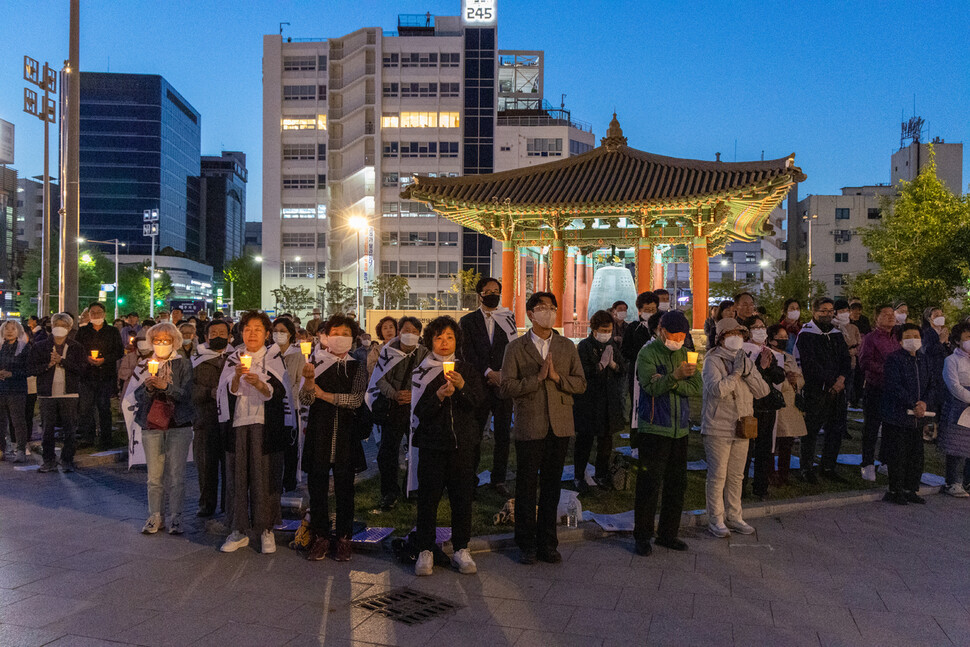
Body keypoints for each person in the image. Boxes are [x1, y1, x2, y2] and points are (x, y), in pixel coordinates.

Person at [500, 292, 586, 565]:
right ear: (530, 314)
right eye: (541, 308)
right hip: (530, 423)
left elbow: (580, 384)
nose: (547, 312)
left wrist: (557, 378)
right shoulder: (515, 347)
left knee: (552, 486)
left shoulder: (566, 346)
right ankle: (526, 543)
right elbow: (506, 387)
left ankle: (548, 542)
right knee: (526, 485)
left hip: (559, 425)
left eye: (552, 308)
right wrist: (536, 379)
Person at [412, 316, 485, 576]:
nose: (444, 342)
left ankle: (461, 548)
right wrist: (439, 396)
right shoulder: (422, 371)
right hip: (433, 446)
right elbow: (419, 410)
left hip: (463, 446)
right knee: (428, 499)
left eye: (450, 337)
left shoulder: (467, 369)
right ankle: (425, 550)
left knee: (462, 499)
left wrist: (462, 387)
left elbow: (477, 402)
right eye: (439, 337)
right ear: (430, 340)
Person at [217, 311, 292, 555]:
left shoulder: (274, 358)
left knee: (264, 476)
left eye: (258, 329)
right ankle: (238, 530)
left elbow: (280, 392)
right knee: (237, 476)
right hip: (238, 424)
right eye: (247, 328)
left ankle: (265, 529)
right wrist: (237, 378)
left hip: (265, 426)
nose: (252, 333)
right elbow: (224, 393)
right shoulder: (232, 358)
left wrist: (260, 384)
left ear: (267, 334)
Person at [631, 310, 701, 555]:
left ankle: (668, 534)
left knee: (676, 484)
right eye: (673, 334)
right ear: (661, 330)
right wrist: (674, 376)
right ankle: (642, 536)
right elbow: (650, 387)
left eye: (683, 335)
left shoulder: (686, 353)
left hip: (679, 430)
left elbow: (696, 386)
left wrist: (671, 381)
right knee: (649, 484)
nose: (678, 339)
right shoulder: (647, 353)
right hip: (654, 427)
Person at [302, 314, 367, 562]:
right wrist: (309, 383)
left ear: (352, 338)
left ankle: (343, 538)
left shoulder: (357, 366)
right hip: (319, 434)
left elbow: (356, 400)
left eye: (345, 333)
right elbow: (306, 400)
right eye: (335, 333)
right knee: (317, 488)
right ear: (326, 336)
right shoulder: (315, 363)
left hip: (346, 436)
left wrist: (325, 395)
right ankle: (320, 537)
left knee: (344, 490)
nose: (340, 338)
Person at [702, 318, 770, 538]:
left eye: (740, 334)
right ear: (721, 337)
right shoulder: (712, 360)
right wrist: (736, 374)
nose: (737, 338)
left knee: (736, 475)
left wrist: (748, 372)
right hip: (718, 425)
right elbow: (717, 390)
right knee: (718, 475)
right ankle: (716, 519)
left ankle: (735, 515)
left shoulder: (745, 360)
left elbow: (763, 391)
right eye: (732, 334)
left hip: (742, 425)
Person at [125, 323, 195, 534]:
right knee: (154, 476)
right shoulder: (143, 365)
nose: (161, 344)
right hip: (152, 424)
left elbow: (187, 395)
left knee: (176, 474)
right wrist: (148, 388)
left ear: (174, 342)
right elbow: (135, 396)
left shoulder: (183, 364)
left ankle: (176, 516)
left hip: (178, 424)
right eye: (157, 340)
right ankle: (155, 515)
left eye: (166, 340)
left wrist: (167, 387)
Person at [460, 277, 517, 497]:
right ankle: (469, 479)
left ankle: (499, 479)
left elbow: (513, 348)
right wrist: (487, 372)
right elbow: (467, 352)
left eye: (496, 290)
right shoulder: (468, 321)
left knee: (503, 434)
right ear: (480, 294)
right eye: (488, 290)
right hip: (479, 384)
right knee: (474, 434)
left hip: (502, 384)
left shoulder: (507, 319)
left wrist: (503, 373)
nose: (492, 293)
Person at [369, 317, 428, 510]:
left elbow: (427, 378)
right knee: (388, 452)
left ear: (419, 334)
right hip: (393, 407)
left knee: (417, 449)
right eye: (405, 330)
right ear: (399, 332)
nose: (409, 334)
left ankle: (413, 488)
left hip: (415, 408)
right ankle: (389, 492)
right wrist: (394, 394)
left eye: (414, 330)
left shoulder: (425, 354)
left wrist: (413, 394)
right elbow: (380, 378)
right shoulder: (387, 352)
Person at [880, 324, 939, 505]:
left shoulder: (925, 360)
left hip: (918, 419)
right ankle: (895, 489)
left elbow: (933, 385)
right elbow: (894, 386)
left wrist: (924, 403)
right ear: (900, 340)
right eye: (908, 336)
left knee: (916, 455)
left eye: (916, 335)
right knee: (898, 454)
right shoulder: (894, 359)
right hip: (898, 415)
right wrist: (913, 403)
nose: (913, 339)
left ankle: (911, 488)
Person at [794, 297, 851, 484]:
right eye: (823, 310)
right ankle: (806, 468)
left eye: (830, 310)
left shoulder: (836, 334)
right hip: (816, 389)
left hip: (838, 389)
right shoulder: (806, 334)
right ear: (814, 312)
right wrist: (829, 382)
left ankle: (828, 466)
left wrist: (841, 379)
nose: (827, 314)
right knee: (811, 431)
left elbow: (845, 359)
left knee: (835, 429)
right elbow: (809, 364)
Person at [573, 310, 627, 492]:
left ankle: (601, 474)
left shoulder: (612, 345)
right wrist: (600, 366)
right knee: (585, 440)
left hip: (609, 401)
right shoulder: (585, 346)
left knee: (606, 441)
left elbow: (622, 369)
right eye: (603, 329)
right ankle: (579, 475)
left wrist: (614, 365)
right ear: (594, 329)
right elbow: (582, 372)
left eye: (609, 330)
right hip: (589, 400)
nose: (607, 333)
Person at [30, 313, 84, 472]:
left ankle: (67, 460)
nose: (59, 328)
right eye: (56, 325)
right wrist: (49, 364)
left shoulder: (76, 347)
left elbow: (81, 369)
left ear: (69, 328)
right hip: (47, 393)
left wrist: (62, 361)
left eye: (63, 325)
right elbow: (31, 368)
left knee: (69, 428)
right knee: (47, 428)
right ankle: (49, 460)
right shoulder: (40, 346)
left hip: (69, 393)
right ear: (51, 327)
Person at [742, 315, 786, 499]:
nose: (760, 330)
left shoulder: (767, 351)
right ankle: (741, 487)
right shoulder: (743, 351)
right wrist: (761, 367)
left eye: (762, 326)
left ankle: (761, 487)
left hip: (768, 407)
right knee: (746, 450)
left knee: (765, 450)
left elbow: (778, 376)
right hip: (751, 406)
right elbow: (747, 376)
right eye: (755, 327)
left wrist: (769, 367)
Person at [191, 320, 231, 517]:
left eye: (222, 332)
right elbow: (189, 389)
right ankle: (206, 504)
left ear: (230, 336)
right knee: (206, 466)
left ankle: (228, 504)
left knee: (230, 466)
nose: (218, 336)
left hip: (230, 422)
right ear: (206, 337)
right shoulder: (196, 360)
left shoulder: (237, 358)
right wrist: (209, 392)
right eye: (213, 333)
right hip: (205, 420)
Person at [857, 305, 900, 481]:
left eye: (892, 314)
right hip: (875, 388)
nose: (890, 317)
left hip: (893, 390)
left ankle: (885, 461)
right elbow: (864, 362)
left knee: (890, 427)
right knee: (871, 428)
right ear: (876, 318)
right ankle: (867, 463)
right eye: (885, 314)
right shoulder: (870, 338)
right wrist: (886, 369)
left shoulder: (897, 338)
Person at [75, 302, 125, 449]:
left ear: (104, 314)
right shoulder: (83, 331)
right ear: (88, 315)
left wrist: (104, 359)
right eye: (93, 313)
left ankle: (106, 439)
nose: (96, 315)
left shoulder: (112, 331)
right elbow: (77, 350)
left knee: (104, 407)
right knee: (85, 408)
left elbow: (119, 352)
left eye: (98, 312)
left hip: (105, 375)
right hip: (86, 375)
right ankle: (87, 438)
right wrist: (87, 358)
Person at [766, 324, 806, 485]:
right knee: (772, 442)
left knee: (787, 443)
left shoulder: (788, 357)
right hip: (776, 404)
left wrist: (795, 381)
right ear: (771, 340)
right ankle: (770, 473)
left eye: (785, 337)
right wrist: (785, 380)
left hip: (790, 406)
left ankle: (784, 474)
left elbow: (800, 377)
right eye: (779, 338)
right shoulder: (768, 357)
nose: (783, 341)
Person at [272, 316, 305, 492]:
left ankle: (290, 483)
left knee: (291, 448)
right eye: (275, 331)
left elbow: (300, 381)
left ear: (291, 334)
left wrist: (288, 398)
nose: (278, 334)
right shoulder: (269, 354)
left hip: (291, 408)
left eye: (282, 331)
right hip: (272, 409)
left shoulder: (298, 355)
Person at [940, 322, 970, 497]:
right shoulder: (951, 360)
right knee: (956, 446)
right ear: (958, 340)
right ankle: (953, 481)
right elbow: (954, 386)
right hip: (958, 406)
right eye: (967, 337)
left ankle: (967, 480)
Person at [0, 321, 30, 464]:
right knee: (0, 421)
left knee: (17, 421)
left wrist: (12, 373)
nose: (9, 331)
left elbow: (28, 369)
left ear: (18, 331)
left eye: (13, 329)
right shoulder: (1, 347)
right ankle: (1, 449)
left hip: (17, 389)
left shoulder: (24, 348)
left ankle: (20, 450)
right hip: (1, 388)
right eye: (6, 329)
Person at [621, 292, 660, 395]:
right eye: (647, 310)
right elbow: (625, 350)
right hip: (637, 369)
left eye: (653, 310)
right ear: (640, 310)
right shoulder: (633, 328)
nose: (650, 313)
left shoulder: (661, 328)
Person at [921, 307, 950, 415]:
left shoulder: (942, 332)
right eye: (936, 315)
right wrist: (941, 341)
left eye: (941, 315)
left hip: (943, 371)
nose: (940, 317)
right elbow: (927, 350)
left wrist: (946, 343)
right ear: (929, 318)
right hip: (933, 371)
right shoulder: (927, 333)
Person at [834, 300, 862, 412]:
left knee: (848, 389)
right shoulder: (832, 326)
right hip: (836, 364)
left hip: (851, 363)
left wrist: (854, 350)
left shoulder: (853, 328)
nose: (845, 313)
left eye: (846, 310)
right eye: (842, 311)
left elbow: (860, 343)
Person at [118, 329, 153, 397]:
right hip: (131, 387)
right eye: (141, 342)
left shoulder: (155, 357)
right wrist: (134, 371)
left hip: (148, 389)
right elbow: (121, 372)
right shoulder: (130, 357)